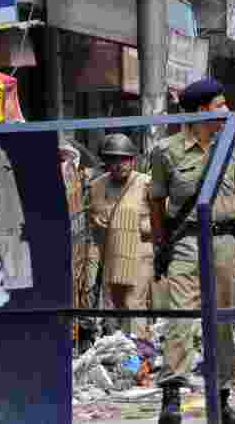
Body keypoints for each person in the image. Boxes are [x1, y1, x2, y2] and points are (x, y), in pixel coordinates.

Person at [152, 78, 235, 424]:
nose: (226, 111)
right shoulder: (167, 151)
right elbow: (156, 201)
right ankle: (172, 396)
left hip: (225, 242)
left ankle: (221, 398)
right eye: (220, 105)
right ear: (201, 111)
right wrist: (161, 244)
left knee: (223, 319)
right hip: (186, 242)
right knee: (181, 316)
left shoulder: (232, 145)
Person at [89, 133, 154, 339]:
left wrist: (141, 225)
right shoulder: (96, 186)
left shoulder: (146, 184)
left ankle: (138, 355)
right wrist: (96, 221)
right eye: (113, 159)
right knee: (112, 306)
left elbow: (163, 218)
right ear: (106, 162)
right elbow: (92, 216)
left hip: (139, 254)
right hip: (110, 256)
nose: (119, 164)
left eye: (124, 159)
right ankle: (115, 353)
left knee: (134, 304)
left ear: (132, 160)